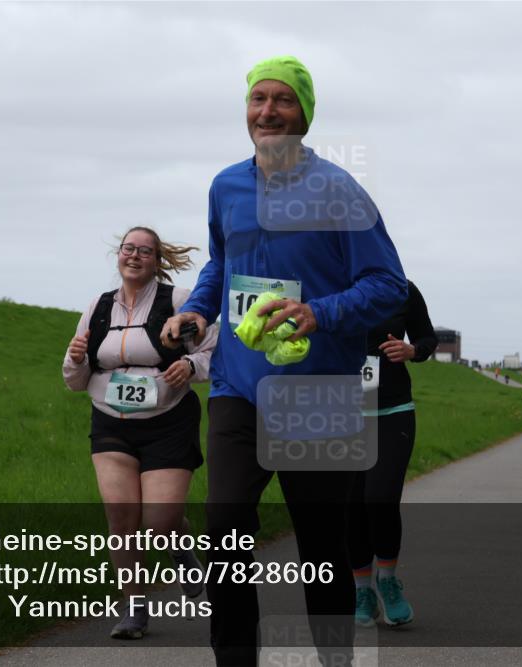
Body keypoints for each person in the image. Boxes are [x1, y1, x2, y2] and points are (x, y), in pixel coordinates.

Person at [162, 56, 407, 666]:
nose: (267, 111)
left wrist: (319, 312)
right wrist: (198, 311)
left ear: (305, 113)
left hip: (318, 395)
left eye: (283, 100)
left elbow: (387, 284)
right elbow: (221, 261)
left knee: (322, 552)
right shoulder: (226, 186)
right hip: (238, 389)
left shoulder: (340, 191)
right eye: (257, 99)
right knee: (225, 535)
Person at [62, 227, 218, 639]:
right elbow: (75, 379)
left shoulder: (179, 302)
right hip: (110, 423)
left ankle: (183, 553)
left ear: (157, 259)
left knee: (160, 521)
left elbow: (213, 348)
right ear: (119, 254)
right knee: (121, 517)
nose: (134, 256)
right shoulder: (98, 306)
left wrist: (191, 366)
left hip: (168, 422)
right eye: (129, 248)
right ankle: (134, 609)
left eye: (144, 251)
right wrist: (76, 360)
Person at [349, 280, 436, 627]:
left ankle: (388, 580)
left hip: (392, 410)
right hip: (341, 411)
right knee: (351, 507)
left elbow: (427, 338)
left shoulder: (402, 289)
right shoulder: (327, 282)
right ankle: (362, 591)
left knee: (380, 498)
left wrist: (412, 350)